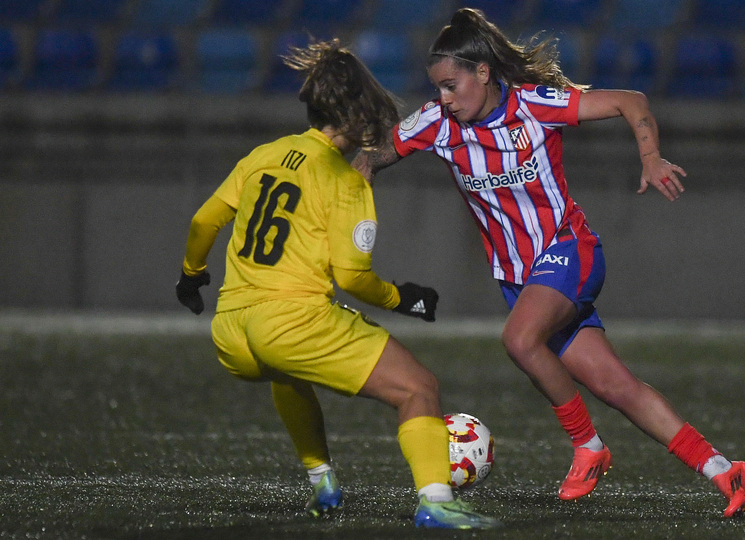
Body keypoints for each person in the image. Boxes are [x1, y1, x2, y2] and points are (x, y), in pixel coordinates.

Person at [352, 8, 745, 518]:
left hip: (569, 251)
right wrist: (346, 195)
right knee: (616, 385)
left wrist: (650, 156)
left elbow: (632, 102)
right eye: (440, 89)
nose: (446, 99)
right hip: (519, 282)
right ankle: (724, 469)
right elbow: (371, 158)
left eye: (452, 85)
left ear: (483, 72)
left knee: (519, 340)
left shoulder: (535, 106)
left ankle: (587, 446)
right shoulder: (435, 123)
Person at [174, 38, 501, 530]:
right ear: (356, 116)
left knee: (286, 372)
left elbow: (203, 221)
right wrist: (404, 299)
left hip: (232, 331)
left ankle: (322, 479)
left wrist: (192, 275)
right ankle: (436, 502)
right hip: (291, 322)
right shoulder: (345, 181)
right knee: (419, 388)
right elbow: (352, 277)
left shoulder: (266, 154)